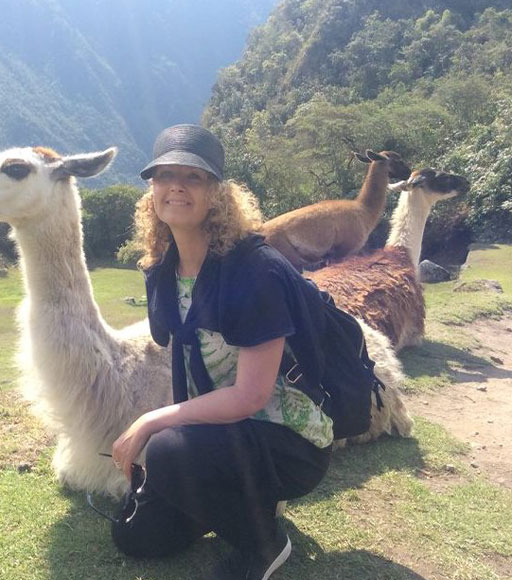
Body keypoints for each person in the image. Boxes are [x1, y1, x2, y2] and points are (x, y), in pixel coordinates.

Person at [108, 124, 334, 580]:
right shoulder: (162, 269)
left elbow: (251, 396)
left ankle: (265, 543)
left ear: (217, 192)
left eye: (192, 177)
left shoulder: (254, 271)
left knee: (169, 450)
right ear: (151, 192)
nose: (175, 185)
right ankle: (230, 502)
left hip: (286, 441)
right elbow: (182, 361)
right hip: (219, 437)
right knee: (137, 536)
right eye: (163, 175)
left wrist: (156, 421)